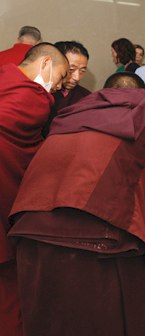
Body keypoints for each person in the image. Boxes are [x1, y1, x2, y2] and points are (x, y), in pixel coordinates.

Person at [9, 72, 145, 336]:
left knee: (50, 319)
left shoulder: (72, 111)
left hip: (29, 223)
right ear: (141, 93)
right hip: (98, 229)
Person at [0, 43, 69, 336]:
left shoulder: (4, 75)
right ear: (45, 64)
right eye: (62, 76)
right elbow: (31, 154)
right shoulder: (36, 100)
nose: (59, 87)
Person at [43, 41, 92, 137]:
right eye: (71, 70)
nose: (77, 77)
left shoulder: (87, 97)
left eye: (82, 71)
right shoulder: (41, 92)